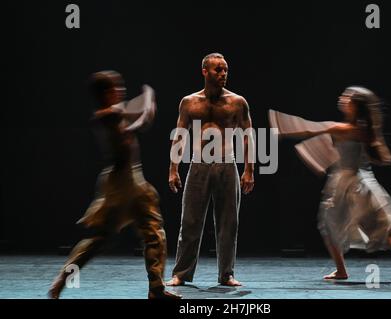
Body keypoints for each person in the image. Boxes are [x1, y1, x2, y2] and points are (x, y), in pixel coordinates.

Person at [269, 86, 391, 280]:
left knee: (328, 224)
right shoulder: (365, 131)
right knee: (384, 226)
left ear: (355, 106)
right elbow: (333, 150)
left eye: (347, 98)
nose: (342, 99)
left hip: (345, 185)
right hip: (367, 184)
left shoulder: (342, 128)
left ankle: (341, 270)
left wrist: (282, 125)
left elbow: (311, 127)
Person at [48, 70, 181, 299]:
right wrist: (149, 98)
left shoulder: (116, 112)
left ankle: (156, 287)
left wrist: (147, 103)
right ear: (106, 93)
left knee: (154, 232)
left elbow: (139, 116)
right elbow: (143, 117)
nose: (121, 92)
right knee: (99, 239)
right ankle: (63, 278)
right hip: (120, 184)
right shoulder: (106, 114)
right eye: (116, 89)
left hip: (134, 180)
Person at [167, 53, 254, 286]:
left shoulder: (237, 102)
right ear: (204, 71)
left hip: (227, 164)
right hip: (198, 164)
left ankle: (227, 274)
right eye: (218, 70)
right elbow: (180, 136)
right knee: (190, 222)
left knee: (228, 223)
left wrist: (249, 170)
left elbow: (248, 136)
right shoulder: (189, 102)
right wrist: (173, 169)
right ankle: (181, 273)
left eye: (225, 69)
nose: (223, 74)